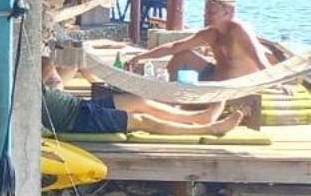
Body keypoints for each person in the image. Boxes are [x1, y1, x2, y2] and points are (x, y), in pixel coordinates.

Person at [41, 57, 243, 137]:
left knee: (136, 100)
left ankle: (199, 117)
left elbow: (54, 77)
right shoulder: (24, 87)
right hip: (77, 118)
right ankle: (210, 128)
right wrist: (48, 65)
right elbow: (45, 69)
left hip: (78, 106)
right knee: (141, 121)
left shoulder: (35, 85)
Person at [154, 0, 271, 126]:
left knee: (211, 90)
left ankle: (184, 112)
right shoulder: (211, 32)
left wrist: (277, 81)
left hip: (236, 85)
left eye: (212, 13)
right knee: (182, 55)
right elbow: (174, 47)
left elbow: (260, 59)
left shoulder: (239, 30)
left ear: (227, 14)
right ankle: (168, 101)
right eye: (206, 12)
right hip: (215, 78)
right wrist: (139, 57)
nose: (206, 16)